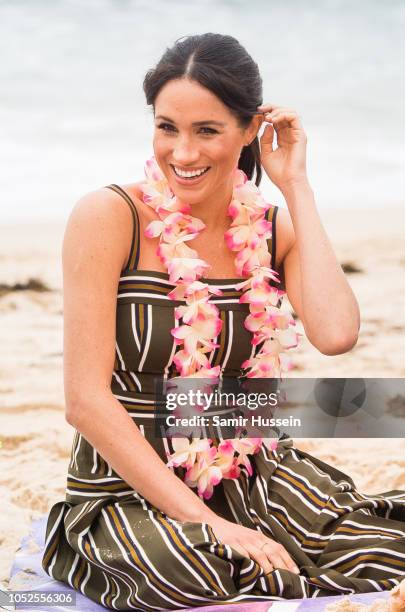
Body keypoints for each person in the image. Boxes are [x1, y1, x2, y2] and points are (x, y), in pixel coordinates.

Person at [42, 33, 405, 610]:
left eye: (206, 130)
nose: (182, 153)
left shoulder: (268, 228)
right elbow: (84, 400)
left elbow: (336, 335)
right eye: (167, 127)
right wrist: (209, 524)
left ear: (248, 131)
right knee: (199, 569)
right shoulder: (110, 217)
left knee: (385, 548)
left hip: (246, 474)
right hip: (126, 488)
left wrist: (296, 185)